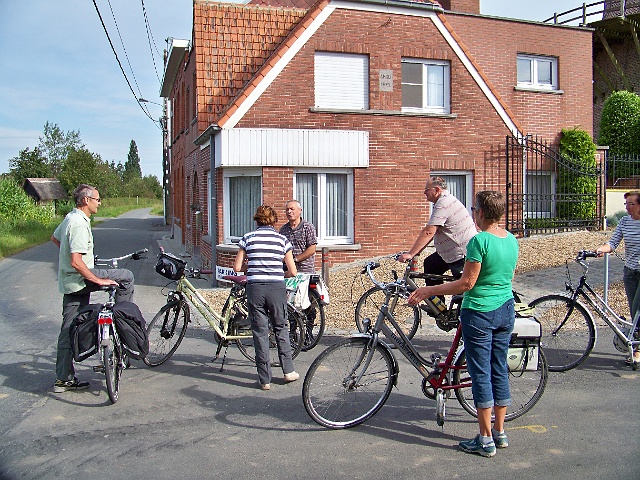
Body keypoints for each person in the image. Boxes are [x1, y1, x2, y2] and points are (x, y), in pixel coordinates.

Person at [408, 191, 518, 457]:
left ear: (480, 212)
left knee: (480, 374)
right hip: (505, 309)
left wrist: (429, 291)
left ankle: (485, 438)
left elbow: (466, 283)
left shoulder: (478, 241)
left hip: (480, 312)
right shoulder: (511, 239)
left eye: (474, 209)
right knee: (498, 369)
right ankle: (499, 432)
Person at [51, 184, 134, 393]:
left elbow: (55, 238)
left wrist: (72, 257)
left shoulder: (70, 217)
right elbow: (76, 262)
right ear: (86, 200)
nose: (100, 202)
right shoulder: (79, 224)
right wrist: (98, 280)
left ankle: (63, 378)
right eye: (97, 199)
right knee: (126, 277)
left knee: (68, 328)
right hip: (81, 278)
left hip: (70, 283)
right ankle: (124, 328)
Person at [234, 204, 300, 390]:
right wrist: (278, 272)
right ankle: (288, 371)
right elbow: (293, 271)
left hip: (255, 288)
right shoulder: (282, 240)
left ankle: (265, 380)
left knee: (260, 331)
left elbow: (237, 267)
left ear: (257, 220)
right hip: (276, 288)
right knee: (280, 327)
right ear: (274, 220)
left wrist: (254, 267)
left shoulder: (247, 238)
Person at [398, 177, 476, 289]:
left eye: (427, 189)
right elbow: (433, 231)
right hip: (449, 253)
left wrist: (411, 254)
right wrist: (417, 251)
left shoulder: (444, 203)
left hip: (461, 254)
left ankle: (456, 304)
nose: (424, 192)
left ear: (437, 190)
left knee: (460, 290)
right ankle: (437, 305)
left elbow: (429, 231)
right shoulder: (444, 201)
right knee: (430, 265)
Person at [596, 189, 640, 364]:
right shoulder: (624, 222)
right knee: (633, 311)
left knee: (638, 311)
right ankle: (636, 346)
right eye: (626, 204)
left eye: (632, 204)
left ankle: (638, 351)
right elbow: (613, 243)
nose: (628, 207)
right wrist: (600, 249)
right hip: (630, 272)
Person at [279, 200, 317, 274]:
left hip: (305, 271)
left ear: (300, 210)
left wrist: (295, 259)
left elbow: (312, 249)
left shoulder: (308, 227)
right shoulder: (283, 230)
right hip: (288, 272)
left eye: (292, 209)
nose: (289, 211)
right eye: (287, 209)